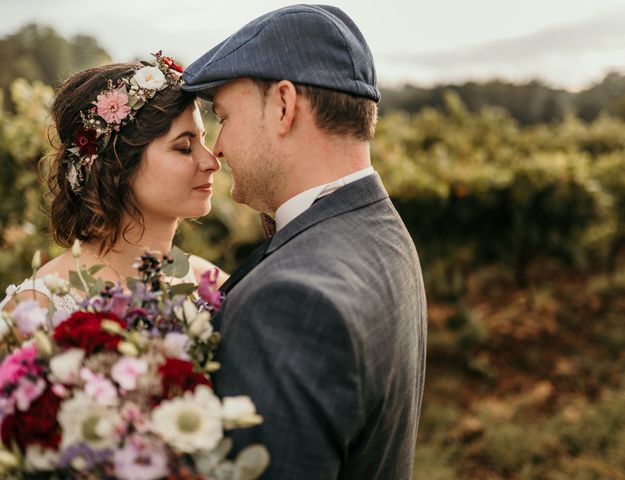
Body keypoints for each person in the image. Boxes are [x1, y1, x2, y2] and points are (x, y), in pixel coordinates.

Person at [182, 5, 427, 479]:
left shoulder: (289, 303)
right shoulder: (383, 229)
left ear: (283, 105)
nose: (218, 148)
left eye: (225, 117)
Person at [0, 52, 227, 313]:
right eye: (185, 147)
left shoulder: (207, 286)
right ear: (118, 164)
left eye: (204, 140)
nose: (212, 162)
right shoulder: (38, 305)